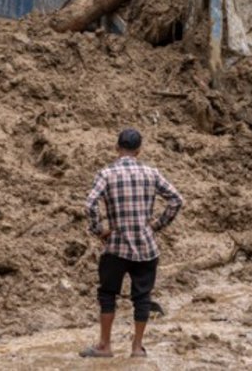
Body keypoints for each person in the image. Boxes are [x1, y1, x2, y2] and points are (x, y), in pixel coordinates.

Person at [80, 128, 184, 358]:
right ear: (139, 150)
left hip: (116, 245)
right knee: (142, 297)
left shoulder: (106, 173)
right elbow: (176, 200)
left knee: (107, 294)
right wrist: (156, 226)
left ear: (117, 148)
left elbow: (89, 204)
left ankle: (105, 345)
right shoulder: (151, 173)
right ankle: (137, 347)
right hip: (146, 246)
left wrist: (99, 231)